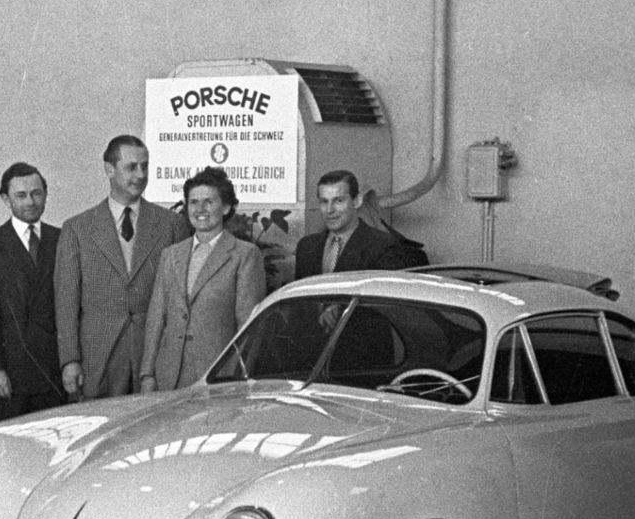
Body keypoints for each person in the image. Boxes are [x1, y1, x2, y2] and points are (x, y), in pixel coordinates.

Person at [54, 135, 189, 399]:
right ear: (109, 170)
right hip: (98, 355)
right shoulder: (77, 229)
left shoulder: (172, 224)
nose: (140, 175)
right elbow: (66, 301)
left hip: (152, 354)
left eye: (145, 166)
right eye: (131, 167)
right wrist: (69, 360)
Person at [140, 167, 265, 392]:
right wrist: (147, 374)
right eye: (193, 202)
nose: (200, 209)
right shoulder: (171, 255)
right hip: (168, 377)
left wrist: (237, 379)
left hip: (217, 378)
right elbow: (156, 318)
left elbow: (247, 327)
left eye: (209, 202)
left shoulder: (244, 255)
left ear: (226, 207)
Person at [0, 162, 65, 422]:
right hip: (10, 374)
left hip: (54, 371)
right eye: (21, 196)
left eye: (36, 193)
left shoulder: (64, 239)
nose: (30, 202)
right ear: (6, 199)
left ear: (45, 194)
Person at [293, 170, 406, 280]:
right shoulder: (306, 246)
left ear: (356, 201)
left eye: (339, 201)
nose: (329, 210)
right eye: (324, 201)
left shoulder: (384, 245)